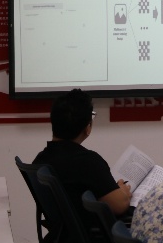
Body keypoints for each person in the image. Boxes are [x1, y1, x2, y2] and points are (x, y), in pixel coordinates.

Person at [33, 89, 132, 233]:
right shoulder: (88, 162)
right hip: (94, 234)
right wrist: (123, 192)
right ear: (87, 128)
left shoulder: (40, 160)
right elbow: (119, 205)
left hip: (64, 236)